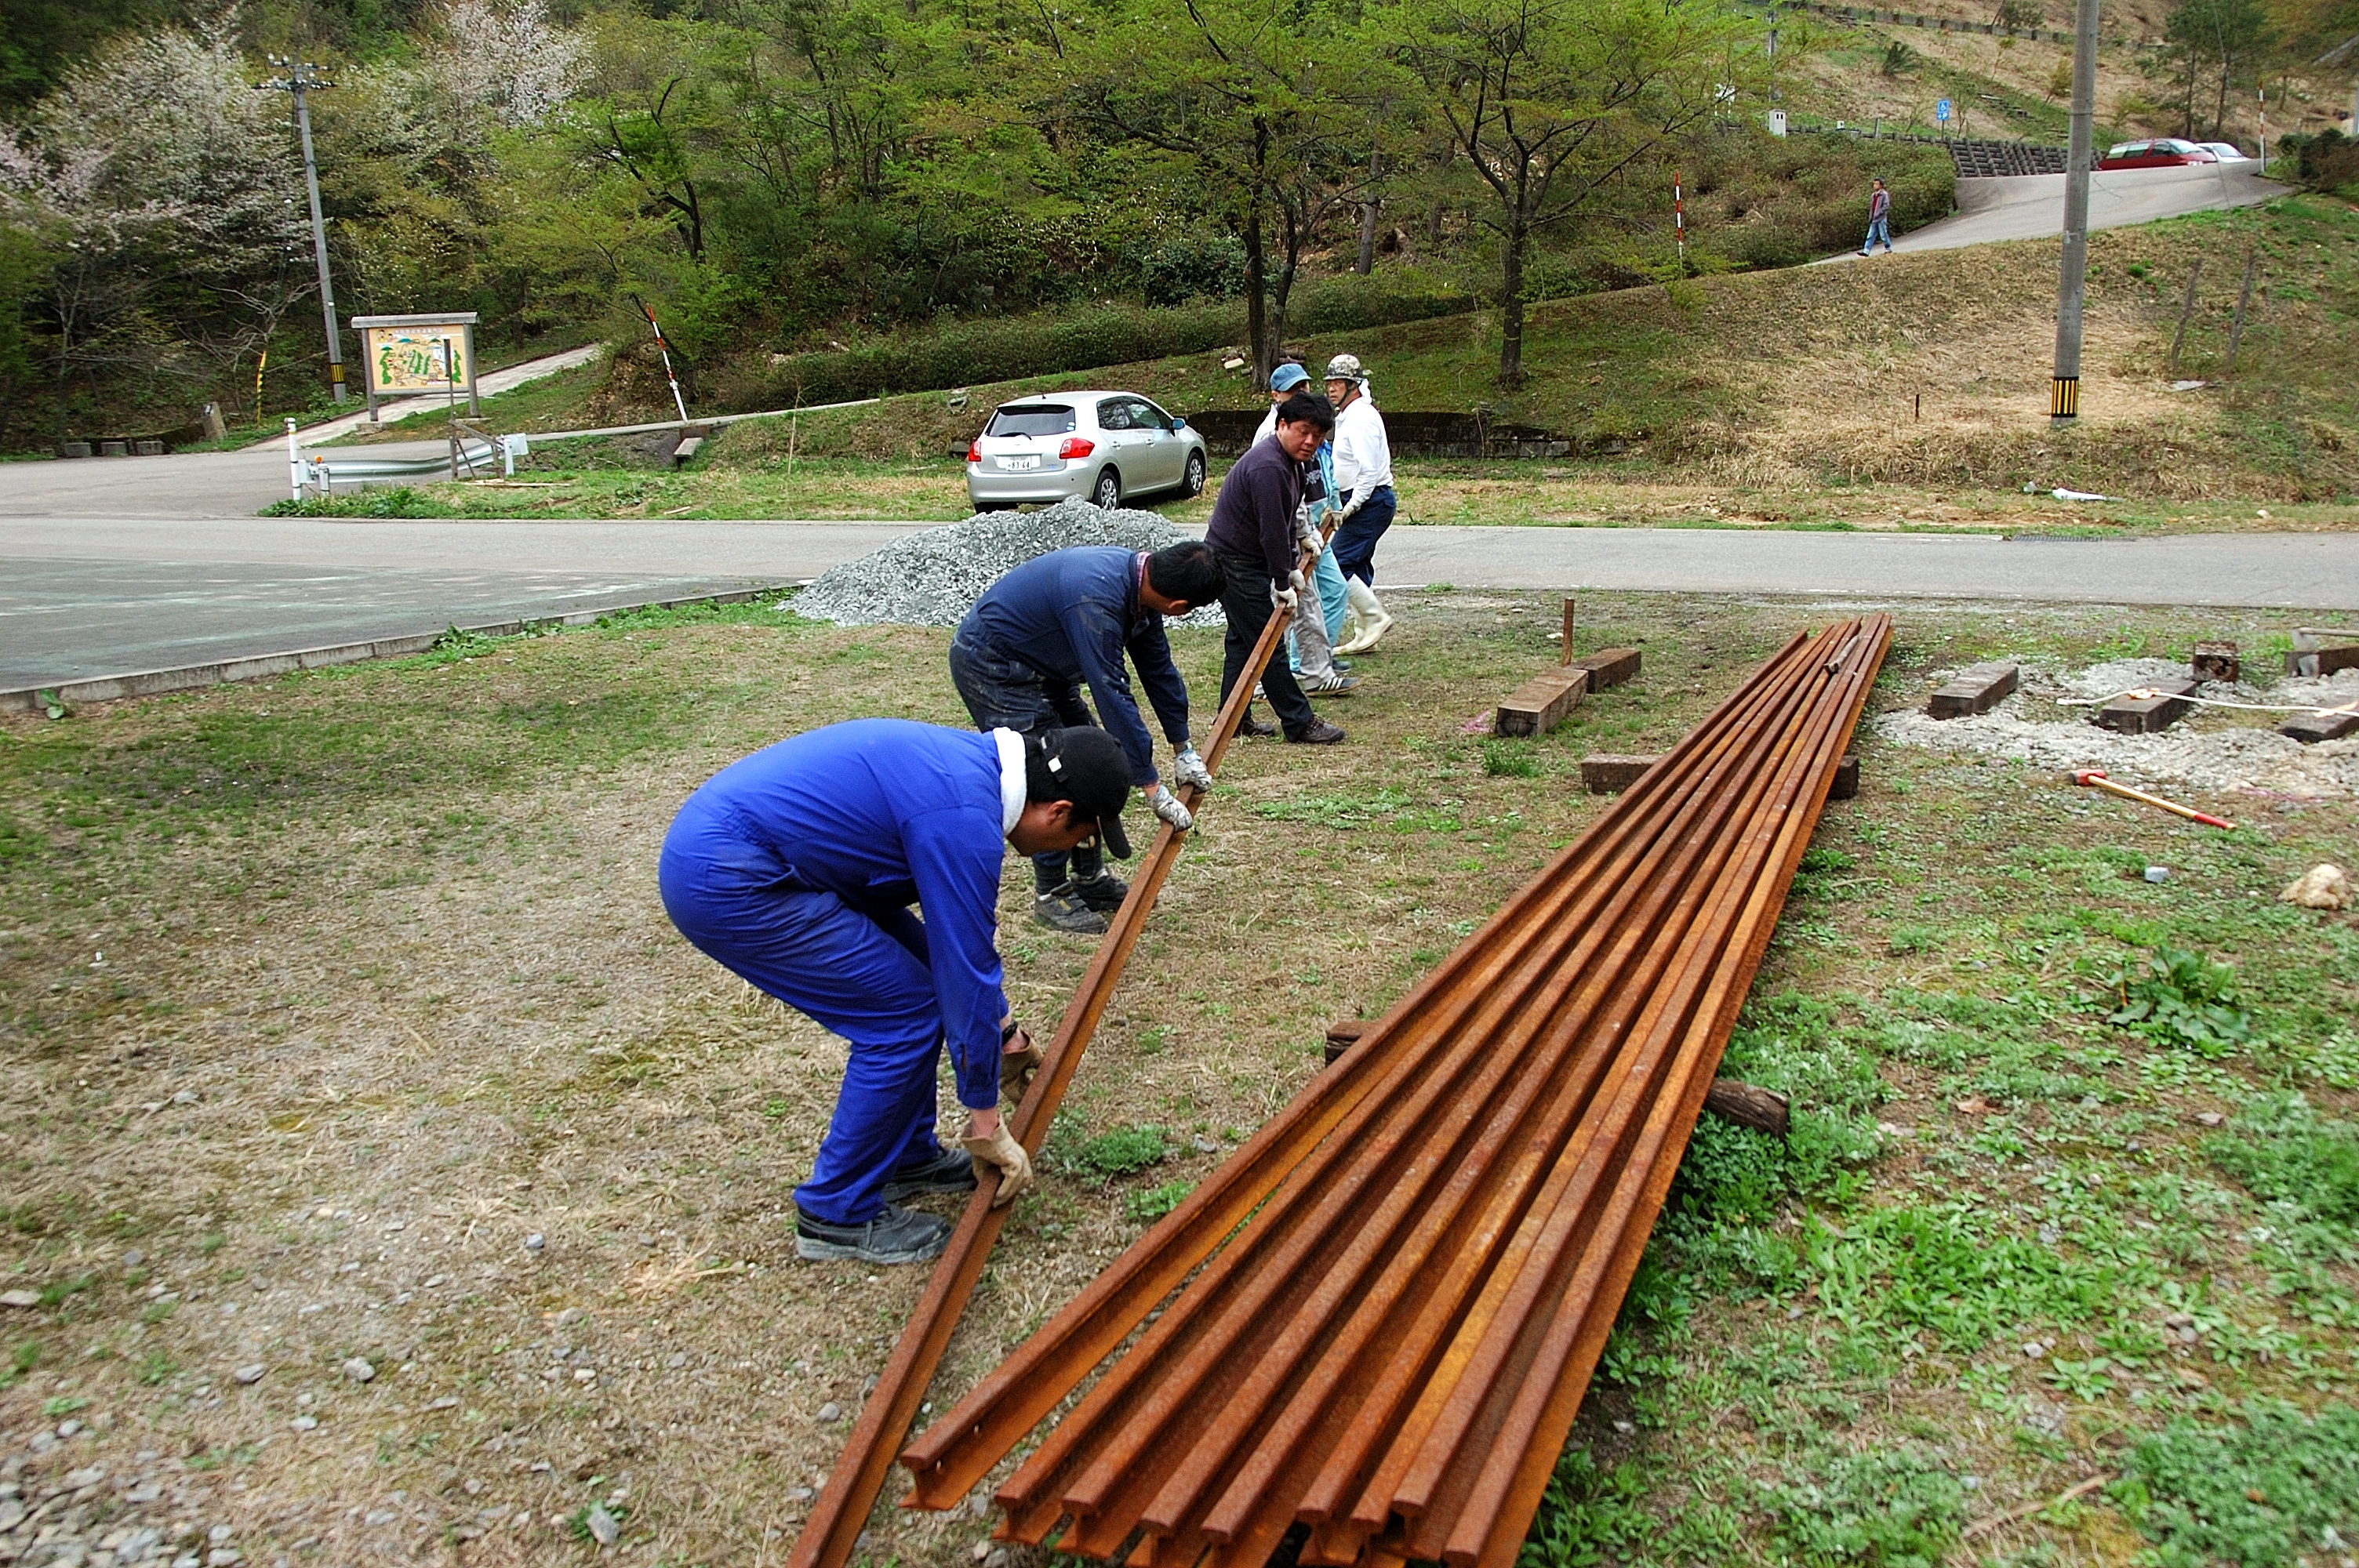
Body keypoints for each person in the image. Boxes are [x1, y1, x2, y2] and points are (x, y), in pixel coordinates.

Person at [657, 719, 1135, 1265]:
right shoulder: (961, 818)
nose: (1072, 848)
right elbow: (966, 964)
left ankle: (906, 1159)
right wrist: (984, 1119)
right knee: (902, 1017)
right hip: (728, 876)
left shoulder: (971, 774)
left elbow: (950, 959)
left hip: (767, 855)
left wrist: (1002, 1033)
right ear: (1058, 812)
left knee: (917, 994)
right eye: (1081, 838)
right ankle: (835, 1212)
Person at [951, 541, 1224, 935]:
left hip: (1046, 665)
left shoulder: (1142, 589)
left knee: (1089, 764)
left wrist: (1184, 749)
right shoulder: (1095, 601)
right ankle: (1051, 893)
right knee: (1053, 776)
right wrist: (1151, 787)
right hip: (994, 666)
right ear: (1180, 606)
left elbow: (1158, 671)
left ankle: (1090, 878)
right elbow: (1110, 691)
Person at [1205, 390, 1346, 745]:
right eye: (1303, 431)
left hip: (1242, 559)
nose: (1310, 440)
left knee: (1243, 642)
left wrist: (1303, 536)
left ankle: (1233, 718)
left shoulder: (1290, 461)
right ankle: (1299, 722)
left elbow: (1288, 513)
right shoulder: (1268, 466)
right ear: (1282, 425)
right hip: (1234, 562)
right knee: (1268, 645)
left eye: (1318, 434)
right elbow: (1270, 530)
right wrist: (1284, 577)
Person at [1253, 364, 1354, 698]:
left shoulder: (1305, 436)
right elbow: (1270, 521)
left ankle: (1317, 674)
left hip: (1299, 530)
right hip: (1265, 544)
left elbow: (1301, 491)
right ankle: (1262, 682)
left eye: (1305, 388)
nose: (1302, 395)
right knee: (1277, 609)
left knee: (1312, 600)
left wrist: (1309, 528)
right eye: (1293, 391)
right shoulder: (1273, 440)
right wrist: (1283, 575)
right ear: (1277, 397)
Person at [1322, 354, 1398, 654]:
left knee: (1338, 564)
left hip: (1370, 501)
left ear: (1353, 385)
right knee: (1359, 564)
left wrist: (1352, 505)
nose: (1332, 389)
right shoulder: (1349, 416)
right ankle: (1365, 635)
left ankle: (1375, 617)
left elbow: (1369, 471)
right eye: (1329, 383)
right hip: (1360, 500)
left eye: (1339, 383)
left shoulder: (1362, 418)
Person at [1861, 178, 1894, 256]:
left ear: (1881, 186)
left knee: (1883, 234)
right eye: (1874, 184)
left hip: (1881, 218)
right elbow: (1872, 207)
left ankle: (1888, 248)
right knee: (1870, 235)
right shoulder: (1873, 195)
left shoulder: (1884, 194)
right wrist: (1871, 216)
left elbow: (1886, 206)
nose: (1874, 185)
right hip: (1874, 219)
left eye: (1876, 184)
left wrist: (1878, 213)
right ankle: (1866, 251)